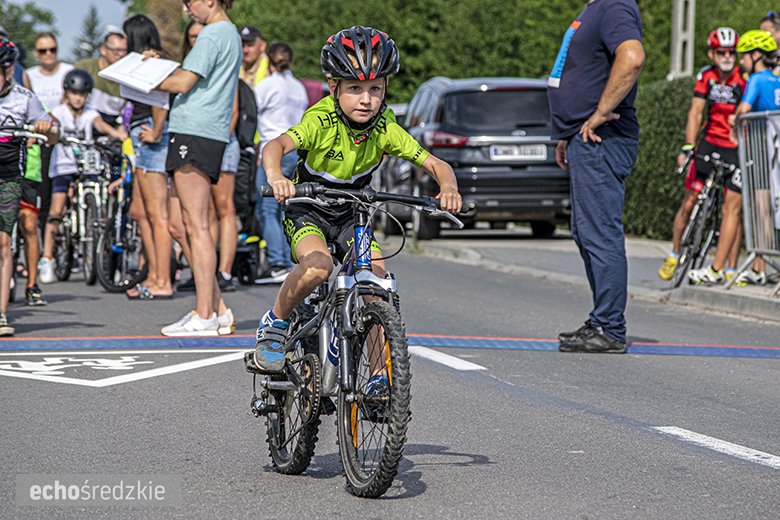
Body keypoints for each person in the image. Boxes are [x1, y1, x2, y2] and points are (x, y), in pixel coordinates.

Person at [249, 26, 461, 372]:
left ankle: (379, 377)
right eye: (355, 88)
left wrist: (448, 189)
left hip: (353, 214)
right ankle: (275, 322)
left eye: (375, 89)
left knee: (376, 283)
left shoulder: (383, 127)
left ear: (385, 88)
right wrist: (277, 177)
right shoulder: (321, 119)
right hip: (309, 209)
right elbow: (275, 146)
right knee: (319, 268)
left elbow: (437, 164)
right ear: (334, 88)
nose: (366, 99)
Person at [549, 0, 644, 354]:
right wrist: (568, 133)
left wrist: (601, 112)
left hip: (602, 139)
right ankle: (603, 320)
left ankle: (610, 327)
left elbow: (632, 56)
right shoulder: (597, 8)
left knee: (600, 233)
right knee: (586, 232)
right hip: (583, 139)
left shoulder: (615, 5)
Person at [148, 0, 240, 336]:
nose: (187, 9)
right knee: (177, 224)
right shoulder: (222, 33)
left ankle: (205, 315)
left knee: (197, 224)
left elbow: (182, 83)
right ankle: (218, 309)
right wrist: (163, 68)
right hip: (194, 130)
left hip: (197, 131)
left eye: (190, 2)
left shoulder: (214, 32)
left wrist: (144, 77)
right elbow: (193, 76)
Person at [659, 28, 745, 283]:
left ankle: (731, 268)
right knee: (689, 201)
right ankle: (675, 253)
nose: (727, 56)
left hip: (733, 147)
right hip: (708, 143)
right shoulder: (705, 76)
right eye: (721, 52)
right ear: (712, 53)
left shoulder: (744, 79)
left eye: (731, 52)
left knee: (733, 209)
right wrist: (688, 146)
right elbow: (696, 112)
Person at [40, 69, 127, 284]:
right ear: (66, 93)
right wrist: (49, 133)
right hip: (63, 166)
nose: (78, 98)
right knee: (57, 210)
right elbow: (50, 126)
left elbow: (101, 125)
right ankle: (47, 258)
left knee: (100, 198)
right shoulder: (59, 112)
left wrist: (118, 135)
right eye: (74, 93)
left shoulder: (90, 113)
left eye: (82, 94)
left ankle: (97, 244)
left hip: (87, 166)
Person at [0, 38, 59, 335]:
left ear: (7, 71)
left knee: (12, 238)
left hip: (12, 176)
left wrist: (47, 129)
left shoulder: (24, 98)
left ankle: (6, 309)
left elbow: (54, 133)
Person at [720, 30, 780, 285]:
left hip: (762, 153)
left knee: (759, 209)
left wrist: (735, 121)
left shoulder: (756, 78)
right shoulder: (777, 78)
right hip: (774, 152)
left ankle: (759, 267)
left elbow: (743, 110)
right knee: (767, 211)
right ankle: (760, 267)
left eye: (743, 55)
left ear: (756, 55)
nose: (739, 61)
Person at [122, 14, 173, 300]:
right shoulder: (146, 59)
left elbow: (160, 98)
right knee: (141, 211)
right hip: (140, 137)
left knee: (158, 214)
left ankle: (163, 279)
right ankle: (153, 273)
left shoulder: (155, 61)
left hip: (151, 137)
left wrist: (155, 130)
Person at [253, 41, 308, 284]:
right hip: (294, 151)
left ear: (268, 59)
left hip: (273, 150)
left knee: (267, 210)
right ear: (291, 61)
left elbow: (251, 114)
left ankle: (277, 263)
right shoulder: (299, 87)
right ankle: (289, 259)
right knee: (288, 207)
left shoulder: (266, 85)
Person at [75, 27, 127, 128]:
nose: (120, 54)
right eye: (116, 51)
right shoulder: (85, 68)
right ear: (103, 50)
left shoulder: (128, 77)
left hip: (113, 127)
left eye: (124, 51)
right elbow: (68, 99)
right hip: (85, 124)